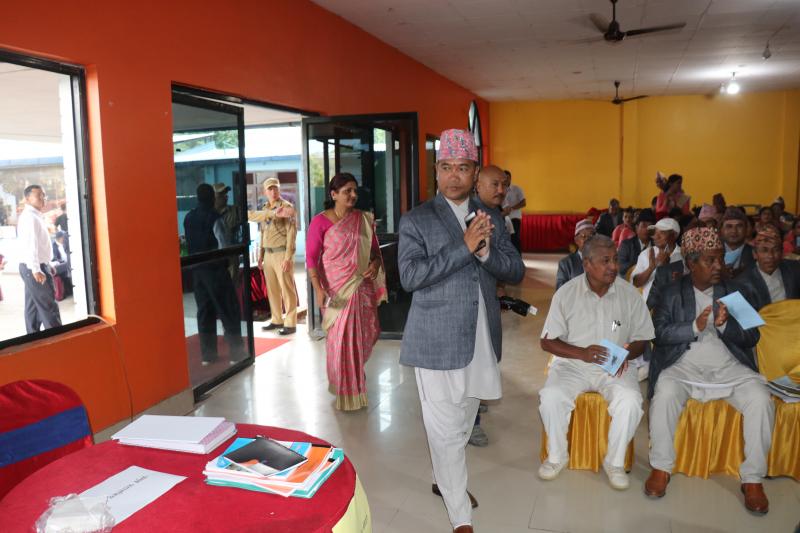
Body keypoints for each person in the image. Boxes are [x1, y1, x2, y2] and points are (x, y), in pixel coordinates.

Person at [398, 129, 524, 533]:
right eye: (446, 167)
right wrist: (464, 247)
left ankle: (444, 478)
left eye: (463, 168)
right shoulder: (416, 219)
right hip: (435, 339)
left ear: (475, 172)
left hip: (481, 337)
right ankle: (460, 516)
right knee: (446, 431)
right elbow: (410, 277)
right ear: (436, 171)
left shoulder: (491, 218)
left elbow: (515, 270)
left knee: (466, 419)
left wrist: (485, 253)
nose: (454, 176)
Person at [646, 227, 773, 515]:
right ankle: (661, 467)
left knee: (760, 398)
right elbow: (658, 333)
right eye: (710, 260)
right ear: (691, 264)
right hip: (683, 364)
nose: (718, 266)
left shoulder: (735, 292)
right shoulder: (671, 292)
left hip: (728, 366)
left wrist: (726, 326)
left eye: (720, 258)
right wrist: (694, 326)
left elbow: (752, 336)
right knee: (665, 393)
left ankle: (753, 479)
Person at [539, 234, 654, 490]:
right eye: (605, 261)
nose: (613, 266)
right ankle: (557, 456)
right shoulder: (566, 294)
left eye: (615, 260)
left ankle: (614, 462)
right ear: (587, 264)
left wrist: (626, 354)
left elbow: (643, 337)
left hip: (615, 365)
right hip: (572, 363)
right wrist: (582, 353)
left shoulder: (629, 294)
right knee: (551, 397)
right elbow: (546, 342)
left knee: (630, 401)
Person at [306, 173, 386, 411]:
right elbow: (311, 258)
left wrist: (375, 264)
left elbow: (375, 252)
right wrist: (318, 289)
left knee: (363, 335)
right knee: (340, 340)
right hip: (335, 291)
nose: (352, 195)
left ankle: (352, 376)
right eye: (346, 191)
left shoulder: (363, 219)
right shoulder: (320, 222)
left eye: (354, 190)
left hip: (362, 288)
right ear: (333, 195)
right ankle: (348, 388)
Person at [470, 164, 512, 448]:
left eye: (504, 185)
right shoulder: (468, 214)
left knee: (487, 354)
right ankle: (471, 423)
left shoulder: (495, 214)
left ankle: (475, 401)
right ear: (478, 185)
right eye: (495, 184)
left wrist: (500, 279)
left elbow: (508, 260)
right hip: (469, 300)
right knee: (473, 359)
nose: (501, 190)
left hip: (488, 294)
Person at [184, 183, 245, 366]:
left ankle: (208, 355)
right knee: (228, 310)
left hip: (197, 272)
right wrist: (229, 262)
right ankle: (236, 354)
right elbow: (223, 246)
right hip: (216, 271)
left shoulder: (188, 218)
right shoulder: (215, 218)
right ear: (212, 198)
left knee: (205, 312)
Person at [248, 177, 298, 335]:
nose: (273, 191)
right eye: (270, 189)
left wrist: (288, 258)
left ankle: (290, 323)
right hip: (268, 255)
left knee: (287, 290)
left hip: (281, 253)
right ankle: (277, 320)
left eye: (276, 188)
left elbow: (291, 234)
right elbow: (263, 233)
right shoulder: (265, 209)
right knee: (272, 290)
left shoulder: (286, 207)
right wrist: (261, 256)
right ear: (265, 192)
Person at [17, 185, 62, 333]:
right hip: (34, 268)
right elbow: (31, 245)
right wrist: (36, 269)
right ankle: (57, 339)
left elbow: (39, 245)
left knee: (33, 308)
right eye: (39, 195)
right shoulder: (30, 217)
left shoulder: (35, 215)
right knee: (49, 306)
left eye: (44, 195)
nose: (43, 198)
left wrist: (47, 263)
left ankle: (32, 337)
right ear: (27, 199)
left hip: (34, 266)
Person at [735, 225, 800, 310]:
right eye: (764, 250)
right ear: (755, 253)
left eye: (776, 250)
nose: (770, 256)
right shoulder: (743, 282)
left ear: (782, 252)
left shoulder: (794, 269)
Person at [631, 217, 681, 303]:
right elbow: (635, 283)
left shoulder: (683, 255)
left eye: (662, 232)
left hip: (674, 307)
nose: (656, 236)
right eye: (655, 232)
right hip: (648, 307)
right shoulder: (646, 254)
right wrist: (650, 268)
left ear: (674, 235)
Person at [556, 220, 595, 289]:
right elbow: (560, 290)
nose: (588, 240)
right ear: (576, 240)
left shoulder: (604, 260)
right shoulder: (566, 263)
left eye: (591, 236)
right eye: (583, 236)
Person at [618, 209, 654, 279]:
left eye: (650, 227)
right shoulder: (627, 245)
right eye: (644, 225)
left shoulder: (656, 245)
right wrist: (641, 262)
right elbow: (620, 267)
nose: (647, 229)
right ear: (637, 228)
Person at [720, 207, 755, 278]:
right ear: (721, 230)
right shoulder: (712, 252)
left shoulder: (755, 254)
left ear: (746, 229)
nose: (734, 231)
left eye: (739, 226)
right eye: (729, 226)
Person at [501, 169, 526, 253]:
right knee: (504, 239)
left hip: (514, 217)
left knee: (514, 238)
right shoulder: (500, 189)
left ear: (510, 178)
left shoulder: (517, 189)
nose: (506, 179)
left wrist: (511, 208)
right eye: (504, 178)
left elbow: (523, 203)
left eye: (507, 177)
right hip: (503, 217)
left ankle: (518, 257)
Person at [51, 230, 72, 300]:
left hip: (67, 262)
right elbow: (54, 258)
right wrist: (61, 261)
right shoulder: (53, 246)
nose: (65, 239)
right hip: (61, 264)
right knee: (66, 267)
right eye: (64, 237)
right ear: (60, 238)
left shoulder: (66, 243)